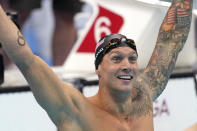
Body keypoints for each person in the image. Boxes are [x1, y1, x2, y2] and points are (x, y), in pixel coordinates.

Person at [0, 0, 193, 130]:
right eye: (116, 59)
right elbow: (26, 60)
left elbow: (170, 40)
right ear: (98, 69)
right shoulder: (75, 111)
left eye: (132, 59)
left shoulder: (144, 96)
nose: (127, 65)